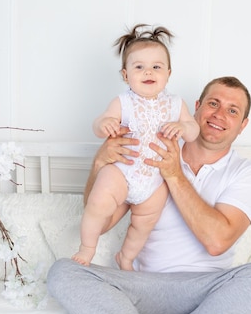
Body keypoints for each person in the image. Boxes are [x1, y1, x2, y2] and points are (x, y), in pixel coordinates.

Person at [48, 76, 251, 314]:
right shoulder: (150, 150)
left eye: (232, 110)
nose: (219, 115)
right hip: (142, 288)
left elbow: (217, 241)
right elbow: (101, 223)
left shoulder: (245, 172)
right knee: (62, 273)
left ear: (242, 125)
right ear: (197, 108)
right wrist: (100, 163)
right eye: (213, 103)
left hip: (208, 293)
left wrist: (174, 173)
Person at [72, 24, 199, 270]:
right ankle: (87, 248)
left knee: (144, 223)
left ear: (169, 73)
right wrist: (105, 123)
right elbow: (97, 124)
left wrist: (184, 128)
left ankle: (126, 258)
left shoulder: (176, 104)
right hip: (122, 170)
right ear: (125, 75)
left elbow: (193, 131)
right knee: (98, 205)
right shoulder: (123, 102)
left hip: (155, 180)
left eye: (156, 67)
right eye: (139, 66)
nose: (148, 72)